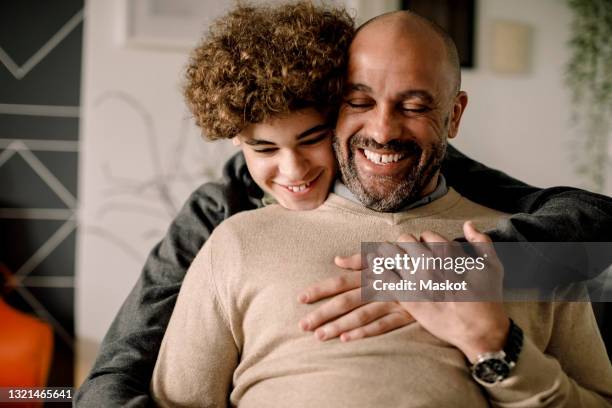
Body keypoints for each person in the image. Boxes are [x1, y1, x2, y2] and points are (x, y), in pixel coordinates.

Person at [76, 3, 612, 407]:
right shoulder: (228, 229)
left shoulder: (537, 249)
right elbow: (127, 379)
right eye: (360, 101)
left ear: (453, 116)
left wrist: (494, 338)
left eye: (416, 105)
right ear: (339, 104)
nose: (382, 128)